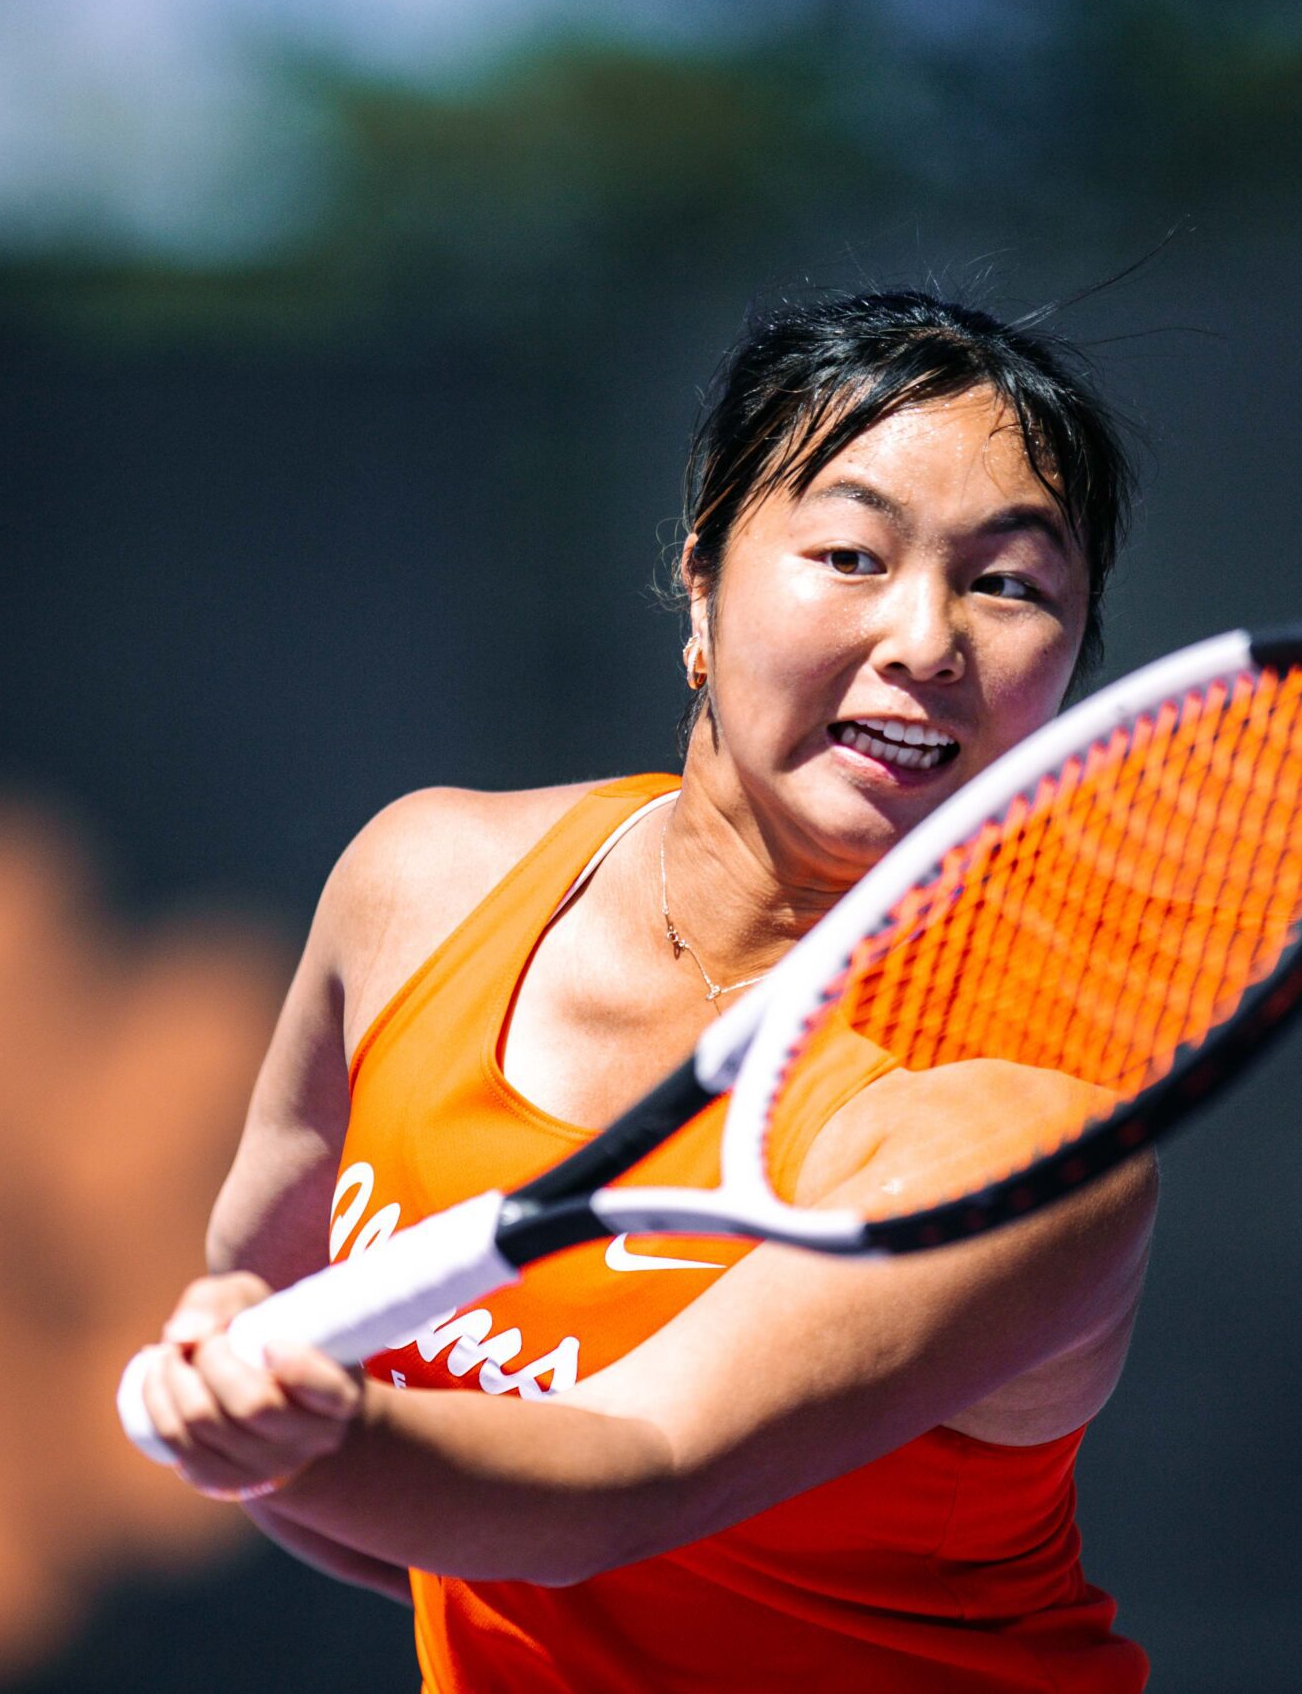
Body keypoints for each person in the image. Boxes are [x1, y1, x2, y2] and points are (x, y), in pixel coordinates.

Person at [134, 289, 1158, 1692]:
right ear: (702, 582)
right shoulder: (420, 886)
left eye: (1011, 585)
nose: (927, 639)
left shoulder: (1024, 1132)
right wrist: (287, 1435)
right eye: (851, 553)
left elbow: (631, 1471)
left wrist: (326, 1440)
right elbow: (261, 1296)